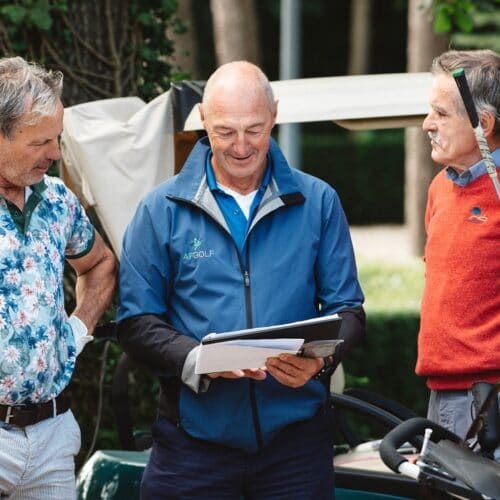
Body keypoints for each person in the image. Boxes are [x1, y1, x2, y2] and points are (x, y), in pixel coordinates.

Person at [118, 60, 365, 499]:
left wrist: (320, 361)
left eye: (254, 129)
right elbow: (136, 322)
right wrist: (196, 358)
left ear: (274, 114)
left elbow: (349, 311)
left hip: (296, 448)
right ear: (202, 120)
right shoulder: (160, 210)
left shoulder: (318, 201)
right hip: (191, 447)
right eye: (225, 131)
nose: (241, 146)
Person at [0, 57, 116, 498]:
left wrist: (78, 330)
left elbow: (100, 264)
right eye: (40, 142)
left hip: (51, 435)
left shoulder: (56, 200)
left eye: (57, 138)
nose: (54, 153)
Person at [416, 49, 500, 457]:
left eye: (441, 113)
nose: (427, 124)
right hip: (443, 393)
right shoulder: (439, 188)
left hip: (491, 397)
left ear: (484, 124)